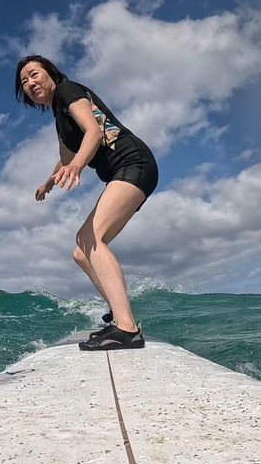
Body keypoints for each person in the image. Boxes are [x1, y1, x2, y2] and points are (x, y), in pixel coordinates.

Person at [15, 55, 158, 351]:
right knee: (82, 252)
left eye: (34, 74)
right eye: (24, 82)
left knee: (90, 237)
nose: (30, 83)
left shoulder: (68, 91)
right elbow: (66, 159)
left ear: (51, 74)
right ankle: (120, 317)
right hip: (123, 171)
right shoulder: (60, 120)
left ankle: (127, 329)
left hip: (133, 162)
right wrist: (49, 182)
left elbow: (93, 131)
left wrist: (79, 166)